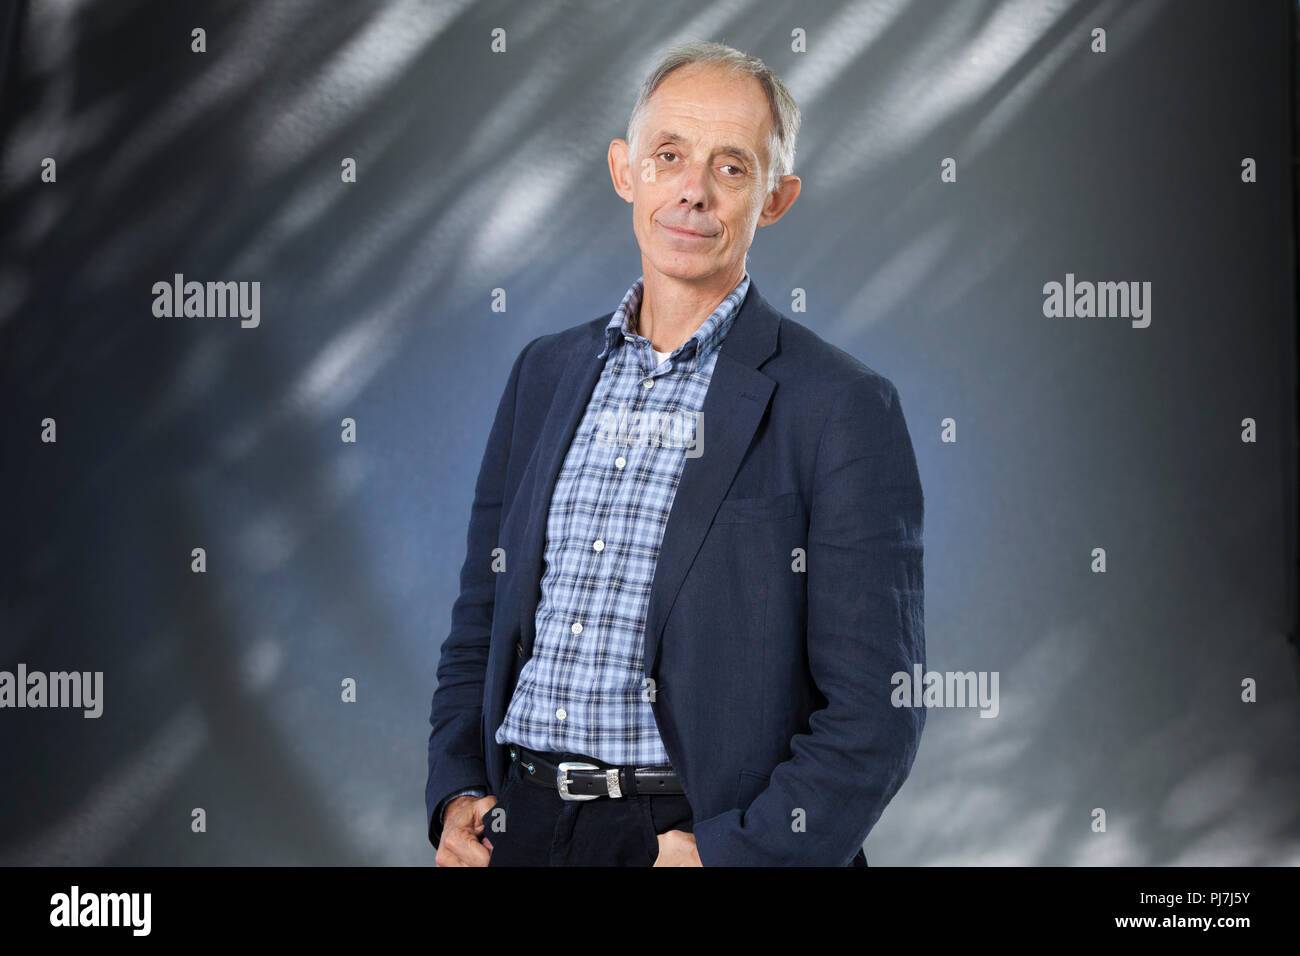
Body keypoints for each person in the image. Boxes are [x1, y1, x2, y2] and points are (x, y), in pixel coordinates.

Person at [426, 40, 925, 866]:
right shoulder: (544, 373)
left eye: (732, 167)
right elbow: (481, 618)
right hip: (518, 829)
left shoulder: (841, 407)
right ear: (626, 171)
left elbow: (876, 713)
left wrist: (733, 855)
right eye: (670, 156)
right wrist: (455, 790)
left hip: (686, 842)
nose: (692, 190)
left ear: (776, 198)